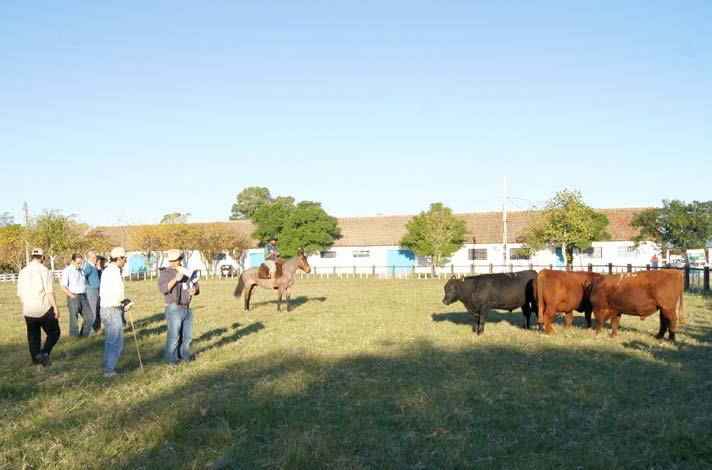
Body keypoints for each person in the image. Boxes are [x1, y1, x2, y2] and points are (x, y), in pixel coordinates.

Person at [16, 248, 61, 366]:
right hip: (43, 308)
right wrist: (55, 307)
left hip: (29, 309)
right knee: (54, 332)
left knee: (33, 336)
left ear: (32, 256)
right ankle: (44, 353)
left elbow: (19, 294)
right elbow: (49, 291)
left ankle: (36, 361)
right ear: (42, 257)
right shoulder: (43, 270)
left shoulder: (23, 271)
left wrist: (25, 306)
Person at [158, 249, 199, 364]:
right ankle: (170, 360)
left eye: (175, 261)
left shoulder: (187, 272)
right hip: (173, 308)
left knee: (187, 337)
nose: (172, 263)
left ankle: (184, 356)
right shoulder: (165, 273)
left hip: (186, 307)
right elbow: (163, 289)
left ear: (180, 260)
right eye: (171, 261)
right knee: (174, 336)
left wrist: (194, 290)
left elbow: (196, 285)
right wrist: (176, 279)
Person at [100, 247, 128, 377]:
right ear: (119, 258)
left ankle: (108, 367)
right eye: (124, 259)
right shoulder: (114, 272)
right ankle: (109, 370)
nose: (125, 261)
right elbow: (117, 293)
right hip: (112, 310)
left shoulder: (109, 270)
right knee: (116, 342)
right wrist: (125, 304)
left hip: (106, 309)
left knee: (110, 341)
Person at [60, 254, 95, 337]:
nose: (80, 264)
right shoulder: (67, 270)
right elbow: (62, 286)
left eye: (81, 263)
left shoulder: (81, 271)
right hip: (74, 296)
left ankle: (83, 337)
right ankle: (74, 338)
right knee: (74, 319)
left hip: (84, 296)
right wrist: (71, 295)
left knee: (89, 317)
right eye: (78, 263)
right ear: (73, 261)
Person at [83, 251, 102, 331]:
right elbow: (83, 276)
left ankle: (96, 327)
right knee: (93, 310)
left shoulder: (93, 266)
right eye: (94, 258)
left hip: (96, 290)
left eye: (96, 257)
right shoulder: (88, 266)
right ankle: (92, 330)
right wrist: (88, 285)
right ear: (90, 258)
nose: (96, 259)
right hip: (92, 291)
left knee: (97, 309)